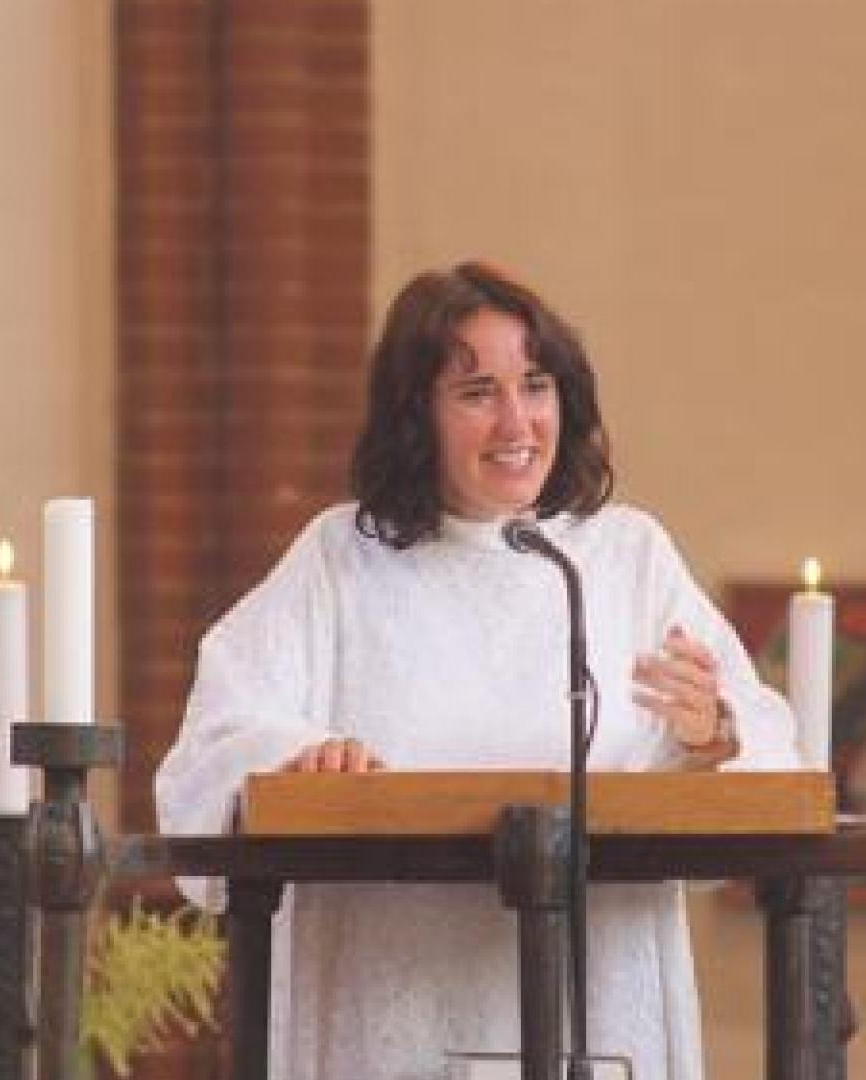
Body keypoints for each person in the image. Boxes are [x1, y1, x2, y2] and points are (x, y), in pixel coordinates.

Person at [155, 261, 802, 1080]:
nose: (516, 422)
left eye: (535, 385)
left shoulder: (624, 555)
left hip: (592, 997)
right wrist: (302, 757)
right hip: (393, 1001)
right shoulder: (342, 558)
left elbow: (768, 742)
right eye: (476, 393)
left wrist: (716, 732)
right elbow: (218, 732)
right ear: (415, 414)